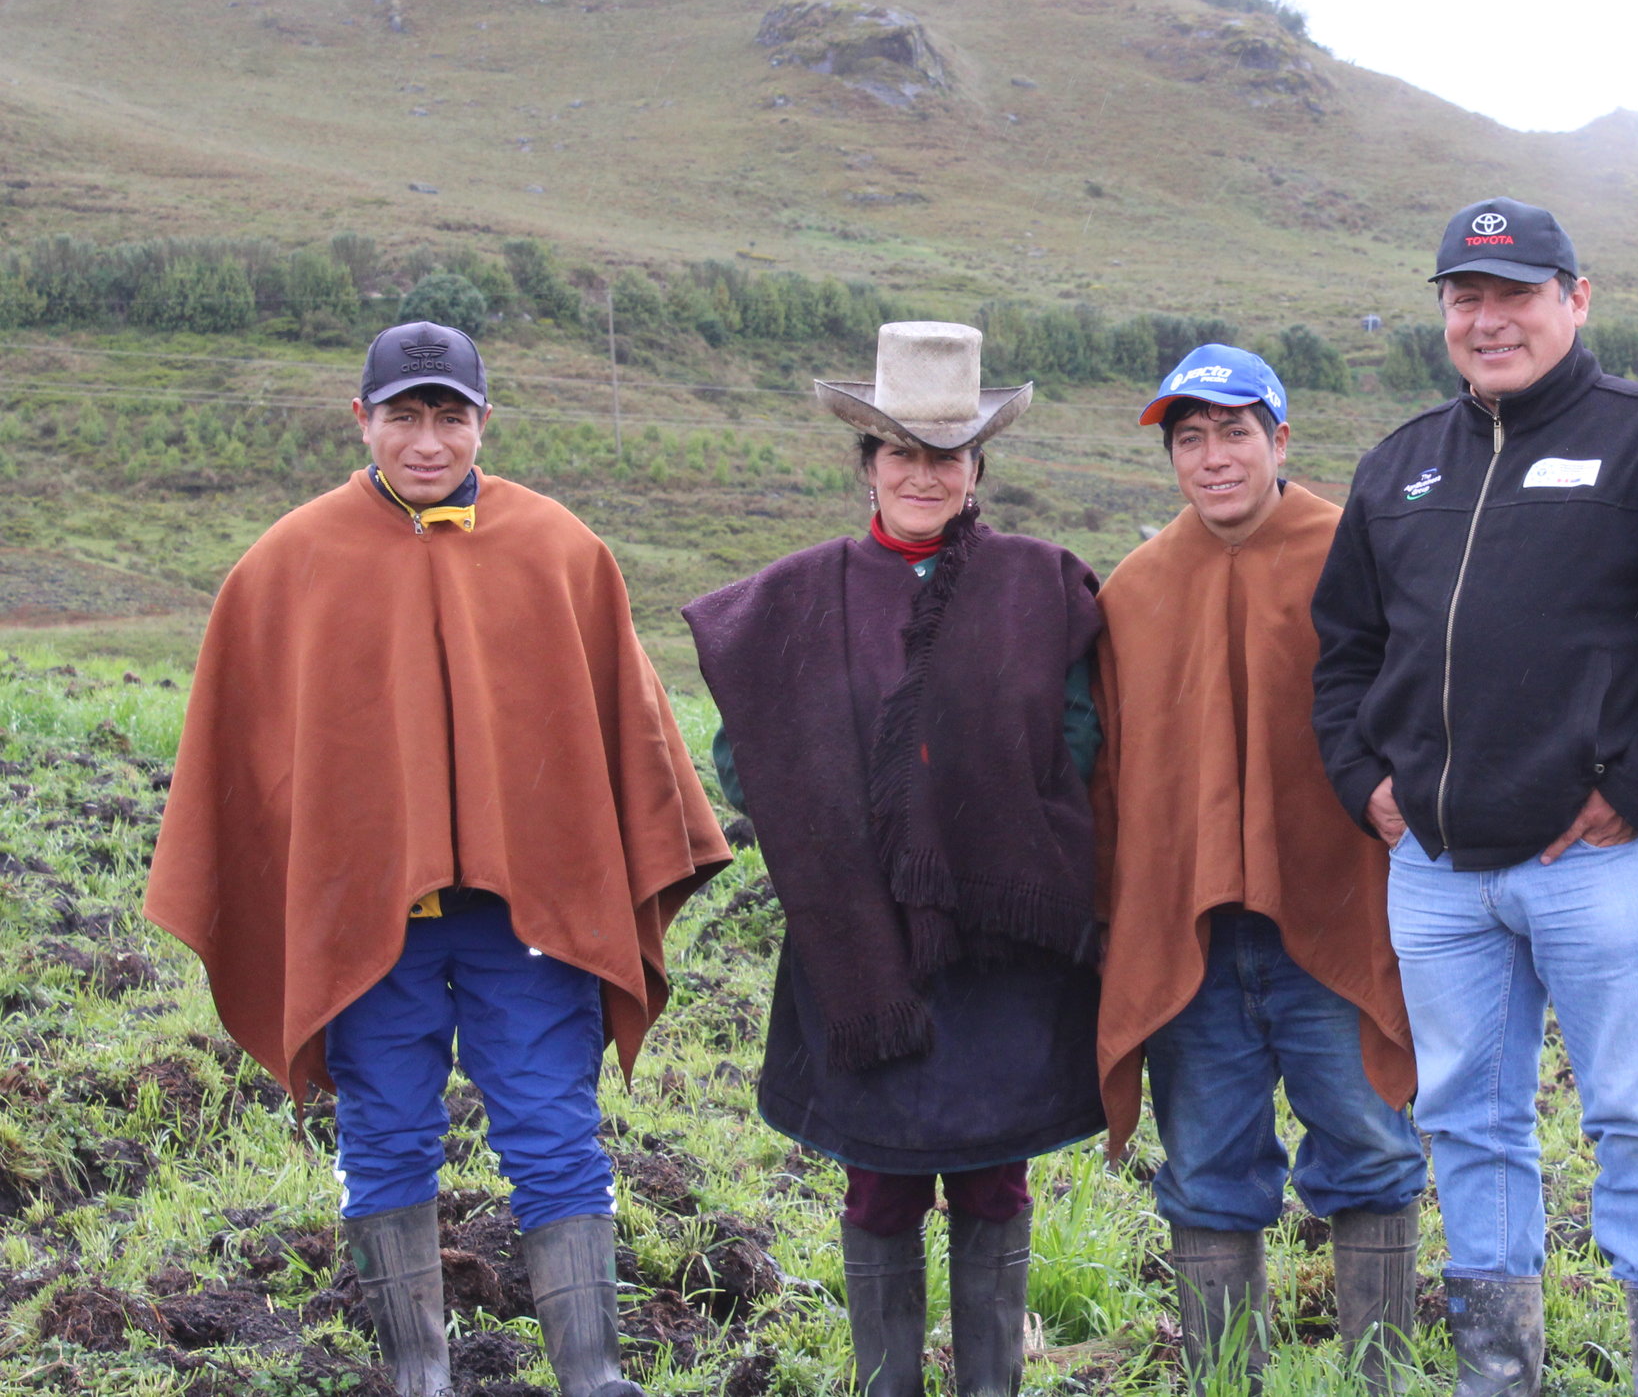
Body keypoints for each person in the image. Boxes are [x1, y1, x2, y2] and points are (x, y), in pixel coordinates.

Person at [147, 320, 732, 1397]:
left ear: (483, 423)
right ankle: (417, 1376)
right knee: (386, 1133)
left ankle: (593, 1375)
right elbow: (246, 745)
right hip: (373, 923)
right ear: (359, 418)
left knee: (554, 1128)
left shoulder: (558, 547)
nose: (427, 439)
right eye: (404, 415)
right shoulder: (290, 561)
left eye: (449, 415)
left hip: (530, 920)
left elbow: (628, 726)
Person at [1310, 200, 1638, 1397]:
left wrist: (1634, 793)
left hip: (1593, 864)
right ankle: (1498, 1376)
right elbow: (1344, 650)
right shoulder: (1401, 462)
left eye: (1514, 291)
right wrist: (1367, 787)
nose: (1487, 317)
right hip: (1438, 871)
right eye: (1465, 295)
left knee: (1635, 1111)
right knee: (1465, 1117)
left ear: (1576, 298)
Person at [682, 322, 1106, 1397]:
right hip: (861, 934)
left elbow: (1081, 740)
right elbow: (749, 756)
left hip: (1000, 936)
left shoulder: (1040, 586)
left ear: (977, 470)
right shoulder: (793, 599)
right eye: (900, 453)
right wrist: (840, 827)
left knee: (991, 1178)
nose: (924, 473)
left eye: (947, 455)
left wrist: (984, 820)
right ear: (865, 465)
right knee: (878, 1183)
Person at [1091, 346, 1425, 1393]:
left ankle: (1382, 1378)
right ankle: (1219, 1381)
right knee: (1204, 1173)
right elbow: (1112, 771)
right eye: (1188, 438)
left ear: (1281, 439)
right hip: (1194, 932)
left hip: (1332, 917)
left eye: (1234, 431)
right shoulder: (1135, 588)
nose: (1212, 456)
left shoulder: (1354, 553)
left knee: (1370, 1151)